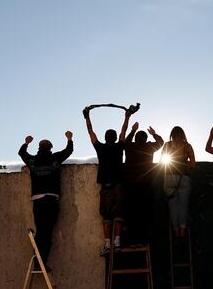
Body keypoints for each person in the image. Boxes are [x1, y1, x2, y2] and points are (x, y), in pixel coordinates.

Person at [18, 131, 74, 269]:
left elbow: (21, 153)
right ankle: (40, 262)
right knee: (47, 233)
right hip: (51, 200)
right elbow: (69, 150)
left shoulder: (32, 161)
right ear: (50, 148)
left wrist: (26, 143)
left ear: (39, 148)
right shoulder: (56, 158)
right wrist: (69, 138)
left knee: (41, 231)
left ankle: (37, 261)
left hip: (38, 200)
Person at [83, 106, 132, 255]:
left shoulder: (100, 148)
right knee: (118, 215)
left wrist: (87, 117)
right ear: (115, 137)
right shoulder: (119, 146)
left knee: (106, 217)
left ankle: (107, 244)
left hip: (106, 187)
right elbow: (124, 130)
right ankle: (117, 242)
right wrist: (127, 117)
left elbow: (91, 132)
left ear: (105, 138)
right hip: (118, 186)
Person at [123, 122, 164, 244]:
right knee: (144, 214)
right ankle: (144, 240)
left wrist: (132, 131)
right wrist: (154, 134)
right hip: (145, 184)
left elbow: (126, 142)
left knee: (131, 214)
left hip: (130, 185)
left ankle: (131, 240)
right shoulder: (149, 147)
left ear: (136, 138)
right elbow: (161, 143)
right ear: (146, 139)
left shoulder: (130, 146)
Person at [161, 126, 197, 238]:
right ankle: (182, 231)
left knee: (172, 206)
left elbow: (162, 161)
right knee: (183, 206)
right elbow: (192, 164)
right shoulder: (187, 146)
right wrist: (186, 169)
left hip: (169, 178)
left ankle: (175, 231)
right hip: (183, 178)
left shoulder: (167, 145)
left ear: (172, 134)